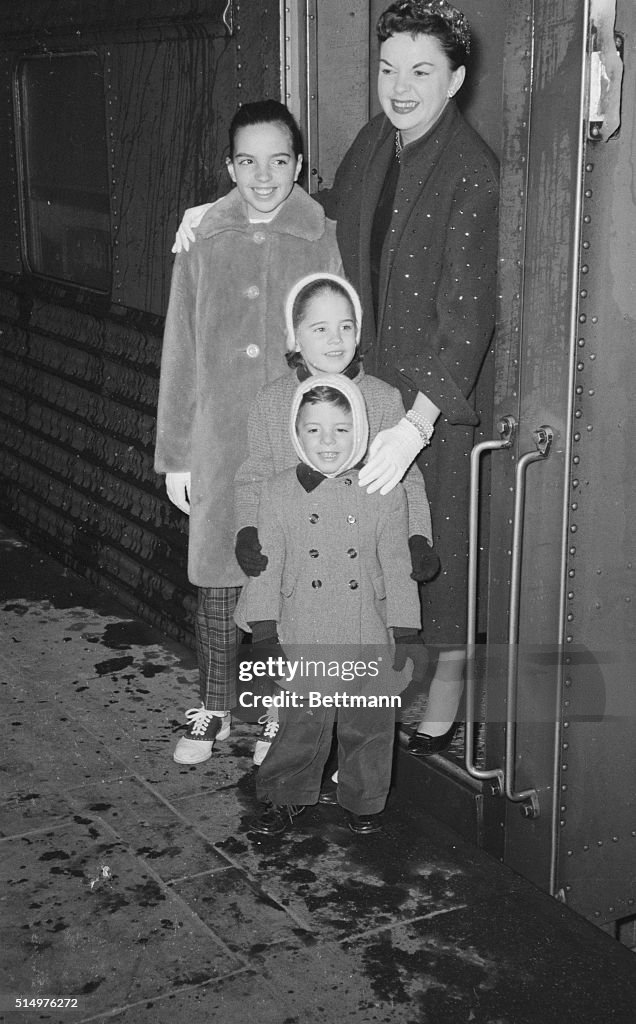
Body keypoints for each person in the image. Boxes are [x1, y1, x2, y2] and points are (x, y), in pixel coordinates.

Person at [172, 1, 499, 756]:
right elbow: (319, 213)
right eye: (388, 69)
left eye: (421, 71)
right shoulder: (377, 139)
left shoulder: (473, 172)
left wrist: (414, 426)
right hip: (360, 386)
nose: (400, 86)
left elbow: (468, 318)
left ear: (454, 79)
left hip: (425, 407)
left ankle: (437, 707)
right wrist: (220, 213)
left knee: (426, 554)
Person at [155, 99, 343, 765]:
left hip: (292, 444)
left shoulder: (320, 235)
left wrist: (333, 441)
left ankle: (279, 716)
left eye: (280, 161)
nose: (264, 176)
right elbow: (180, 349)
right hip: (219, 444)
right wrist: (177, 454)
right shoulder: (203, 237)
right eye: (248, 161)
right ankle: (212, 706)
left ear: (298, 165)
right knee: (218, 581)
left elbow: (338, 340)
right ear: (229, 165)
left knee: (289, 583)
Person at [234, 271, 438, 764]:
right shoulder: (270, 400)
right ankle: (287, 738)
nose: (335, 340)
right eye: (319, 328)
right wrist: (246, 527)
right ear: (295, 336)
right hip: (296, 567)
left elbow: (407, 480)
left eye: (345, 327)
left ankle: (357, 773)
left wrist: (416, 536)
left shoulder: (384, 398)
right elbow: (255, 474)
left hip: (356, 568)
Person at [234, 375, 423, 835]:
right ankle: (283, 796)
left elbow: (397, 565)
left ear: (359, 430)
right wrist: (263, 631)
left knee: (369, 723)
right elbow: (267, 566)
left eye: (341, 429)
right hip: (305, 627)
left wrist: (406, 631)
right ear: (296, 434)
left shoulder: (384, 488)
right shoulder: (277, 491)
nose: (328, 442)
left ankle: (364, 799)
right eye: (313, 429)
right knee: (302, 723)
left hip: (367, 628)